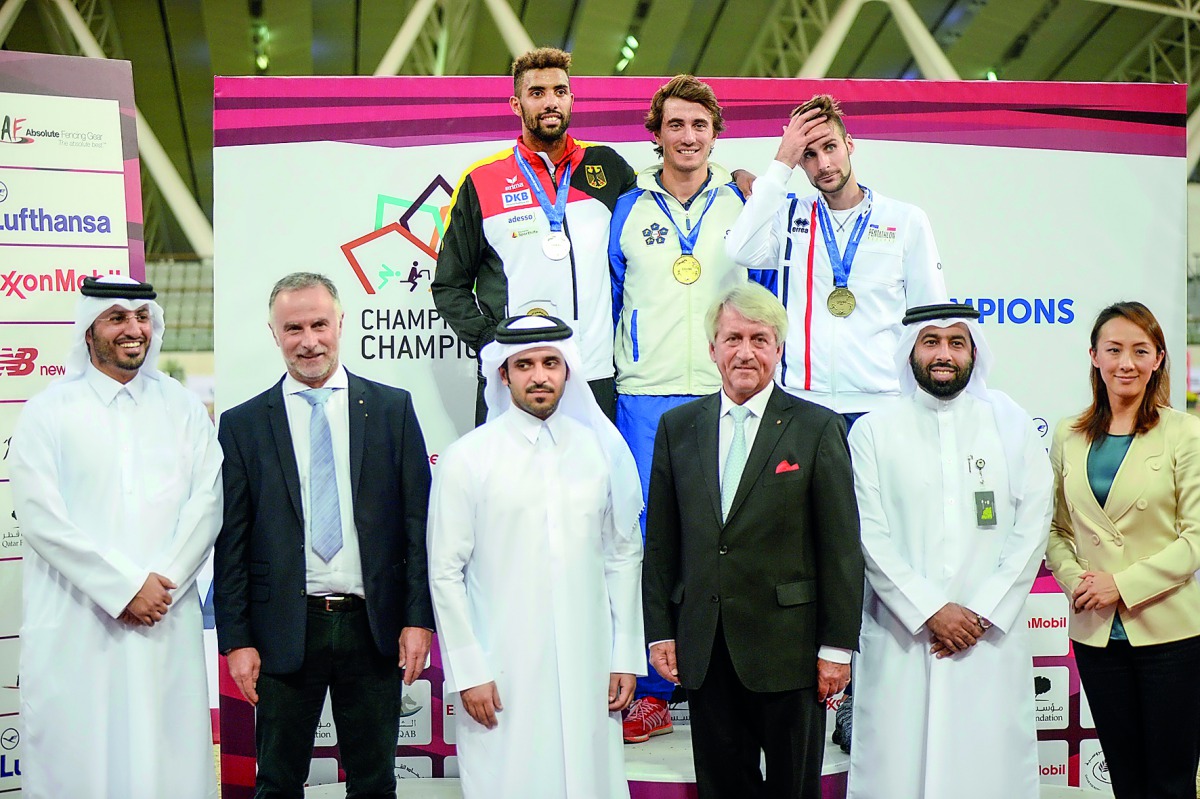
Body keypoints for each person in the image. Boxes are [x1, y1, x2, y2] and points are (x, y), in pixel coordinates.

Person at [213, 272, 434, 799]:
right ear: (274, 334)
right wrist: (237, 640)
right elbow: (232, 544)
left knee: (376, 783)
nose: (308, 340)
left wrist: (417, 619)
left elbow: (418, 527)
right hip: (283, 632)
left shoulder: (391, 409)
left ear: (341, 324)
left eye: (318, 324)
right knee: (278, 783)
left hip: (373, 628)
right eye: (293, 328)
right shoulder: (241, 424)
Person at [643, 283, 863, 799]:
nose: (746, 352)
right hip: (706, 648)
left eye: (760, 339)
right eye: (733, 338)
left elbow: (841, 549)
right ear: (713, 347)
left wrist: (836, 648)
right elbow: (661, 542)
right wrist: (660, 632)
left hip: (791, 652)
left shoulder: (817, 428)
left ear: (779, 349)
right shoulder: (678, 428)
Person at [608, 73, 777, 743]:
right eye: (675, 124)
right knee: (651, 543)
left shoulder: (744, 202)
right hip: (644, 395)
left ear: (715, 133)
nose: (687, 136)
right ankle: (650, 689)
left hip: (724, 392)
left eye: (699, 125)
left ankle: (744, 676)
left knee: (735, 536)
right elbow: (614, 295)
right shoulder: (626, 207)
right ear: (657, 133)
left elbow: (765, 288)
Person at [9, 275, 222, 799]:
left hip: (163, 617)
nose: (133, 329)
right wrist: (124, 588)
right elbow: (41, 518)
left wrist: (160, 582)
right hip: (77, 621)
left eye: (142, 317)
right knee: (79, 757)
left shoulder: (183, 408)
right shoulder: (47, 412)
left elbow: (209, 502)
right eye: (117, 318)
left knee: (165, 755)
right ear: (89, 332)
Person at [427, 315, 645, 798]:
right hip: (501, 671)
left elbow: (624, 556)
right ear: (503, 375)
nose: (539, 375)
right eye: (523, 365)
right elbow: (444, 573)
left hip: (589, 663)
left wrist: (624, 654)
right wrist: (469, 671)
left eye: (551, 363)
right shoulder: (468, 458)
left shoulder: (599, 451)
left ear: (568, 372)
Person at [845, 302, 1052, 799]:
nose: (944, 354)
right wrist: (931, 609)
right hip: (904, 635)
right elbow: (867, 534)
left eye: (956, 343)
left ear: (974, 353)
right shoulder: (873, 430)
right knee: (897, 765)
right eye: (931, 342)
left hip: (987, 639)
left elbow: (1034, 523)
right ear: (910, 352)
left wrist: (980, 612)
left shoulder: (1010, 422)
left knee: (987, 768)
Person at [432, 46, 637, 425]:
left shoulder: (608, 168)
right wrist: (490, 342)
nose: (550, 102)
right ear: (516, 103)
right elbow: (449, 285)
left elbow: (666, 197)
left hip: (594, 373)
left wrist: (734, 176)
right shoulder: (482, 181)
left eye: (560, 91)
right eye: (537, 93)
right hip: (517, 374)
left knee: (590, 485)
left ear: (572, 99)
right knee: (508, 484)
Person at [1045, 302, 1200, 799]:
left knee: (1171, 781)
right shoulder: (1068, 434)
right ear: (1094, 356)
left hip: (1171, 632)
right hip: (1096, 635)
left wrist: (1121, 585)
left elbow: (1195, 538)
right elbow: (1054, 530)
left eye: (1140, 350)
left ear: (1158, 358)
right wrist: (1078, 582)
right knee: (1125, 779)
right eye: (1114, 350)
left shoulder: (1185, 433)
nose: (1126, 363)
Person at [725, 93, 948, 424]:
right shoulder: (787, 216)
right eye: (809, 155)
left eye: (830, 148)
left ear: (850, 144)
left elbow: (930, 316)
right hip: (801, 403)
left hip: (881, 405)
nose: (824, 165)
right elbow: (738, 250)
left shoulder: (905, 220)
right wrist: (780, 164)